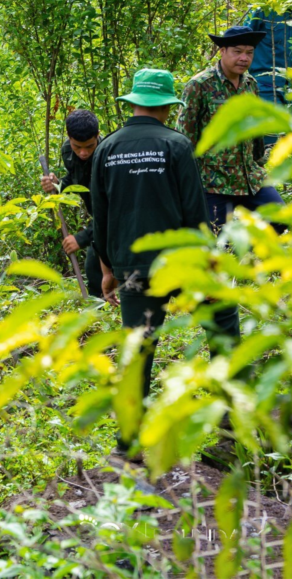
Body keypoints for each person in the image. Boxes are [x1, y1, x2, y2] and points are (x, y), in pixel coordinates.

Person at [92, 68, 240, 453]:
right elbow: (194, 210)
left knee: (138, 346)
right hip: (180, 261)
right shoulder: (176, 145)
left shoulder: (107, 148)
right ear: (167, 106)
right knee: (223, 317)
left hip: (131, 267)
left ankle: (128, 443)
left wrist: (108, 270)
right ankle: (229, 422)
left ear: (134, 102)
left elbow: (101, 216)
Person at [178, 25, 284, 233]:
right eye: (237, 51)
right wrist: (189, 183)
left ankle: (249, 260)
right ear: (222, 51)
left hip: (250, 179)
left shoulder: (250, 84)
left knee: (280, 220)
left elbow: (255, 132)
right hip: (214, 182)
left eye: (249, 53)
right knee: (214, 242)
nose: (244, 58)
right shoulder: (199, 85)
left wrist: (258, 161)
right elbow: (185, 136)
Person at [39, 109, 104, 298]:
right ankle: (97, 316)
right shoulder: (68, 151)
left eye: (89, 147)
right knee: (94, 268)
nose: (83, 153)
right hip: (99, 220)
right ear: (69, 138)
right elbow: (77, 181)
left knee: (98, 262)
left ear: (97, 136)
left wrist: (83, 238)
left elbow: (111, 207)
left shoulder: (108, 155)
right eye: (78, 147)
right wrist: (57, 185)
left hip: (116, 221)